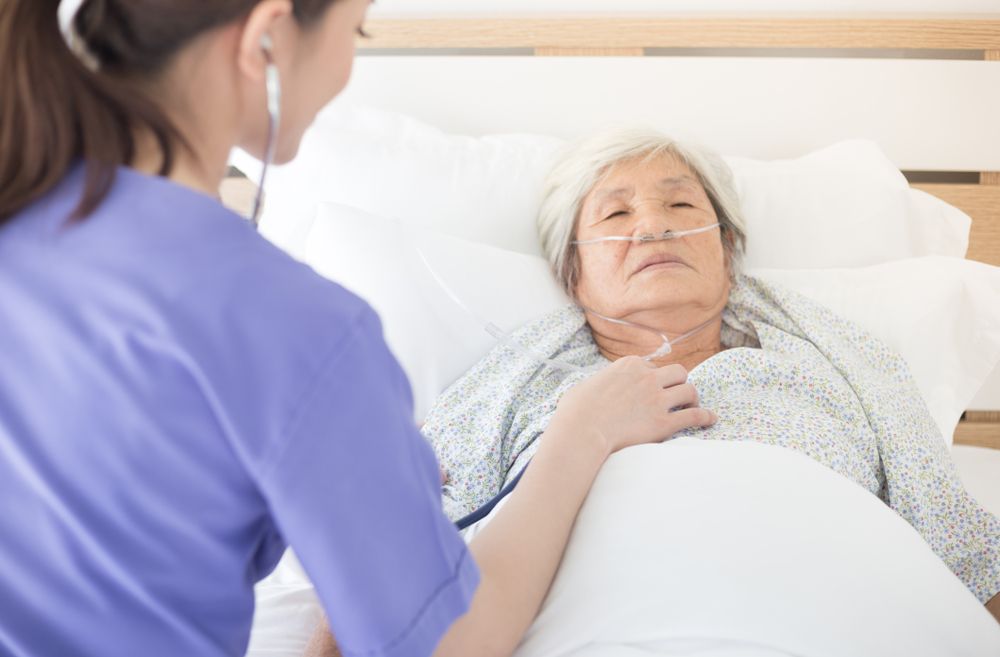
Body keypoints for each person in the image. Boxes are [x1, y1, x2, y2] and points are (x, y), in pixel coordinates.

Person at [0, 3, 717, 657]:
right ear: (266, 39)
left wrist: (331, 476)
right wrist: (580, 432)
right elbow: (449, 642)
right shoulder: (297, 327)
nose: (348, 63)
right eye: (357, 30)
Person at [405, 127, 1000, 631]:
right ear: (573, 275)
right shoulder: (515, 390)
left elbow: (958, 550)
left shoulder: (847, 364)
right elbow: (390, 574)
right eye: (616, 213)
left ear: (728, 247)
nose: (652, 228)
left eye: (682, 206)